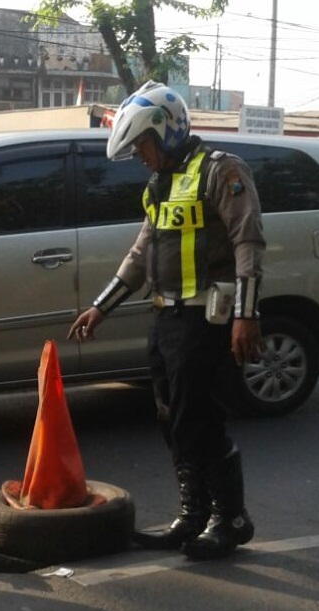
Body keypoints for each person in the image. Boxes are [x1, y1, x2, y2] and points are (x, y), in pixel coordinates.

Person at [68, 81, 265, 560]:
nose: (139, 155)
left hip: (205, 320)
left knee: (200, 421)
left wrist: (246, 313)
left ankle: (230, 519)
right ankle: (193, 514)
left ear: (167, 131)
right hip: (167, 320)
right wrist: (101, 306)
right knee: (171, 419)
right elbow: (141, 253)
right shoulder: (160, 185)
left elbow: (248, 242)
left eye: (143, 144)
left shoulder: (220, 171)